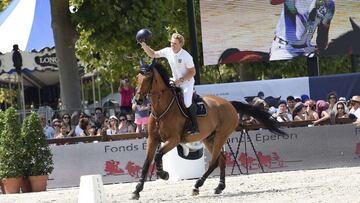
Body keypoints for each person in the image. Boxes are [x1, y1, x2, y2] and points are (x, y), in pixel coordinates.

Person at [140, 33, 199, 135]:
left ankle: (194, 125)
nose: (172, 45)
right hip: (174, 81)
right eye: (171, 43)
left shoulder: (186, 56)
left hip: (187, 83)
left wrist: (181, 80)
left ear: (180, 44)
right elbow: (153, 54)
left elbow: (192, 72)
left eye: (175, 43)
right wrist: (143, 45)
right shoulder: (168, 51)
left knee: (187, 102)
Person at [269, 0, 335, 61]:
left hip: (305, 49)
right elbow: (273, 1)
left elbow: (322, 36)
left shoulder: (329, 4)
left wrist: (320, 50)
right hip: (283, 48)